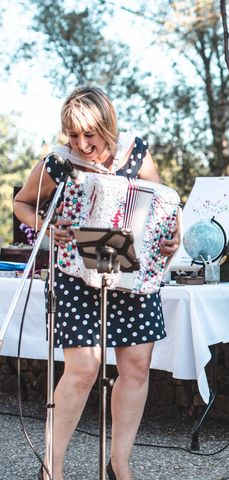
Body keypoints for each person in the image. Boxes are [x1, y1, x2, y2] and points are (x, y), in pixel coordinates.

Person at [14, 86, 180, 480]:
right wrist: (47, 227)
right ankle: (51, 468)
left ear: (109, 126)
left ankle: (119, 464)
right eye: (73, 135)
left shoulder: (135, 154)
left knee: (137, 366)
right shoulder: (59, 163)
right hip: (75, 270)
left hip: (132, 271)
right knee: (83, 369)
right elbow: (22, 202)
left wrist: (172, 235)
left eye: (90, 134)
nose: (82, 144)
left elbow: (162, 207)